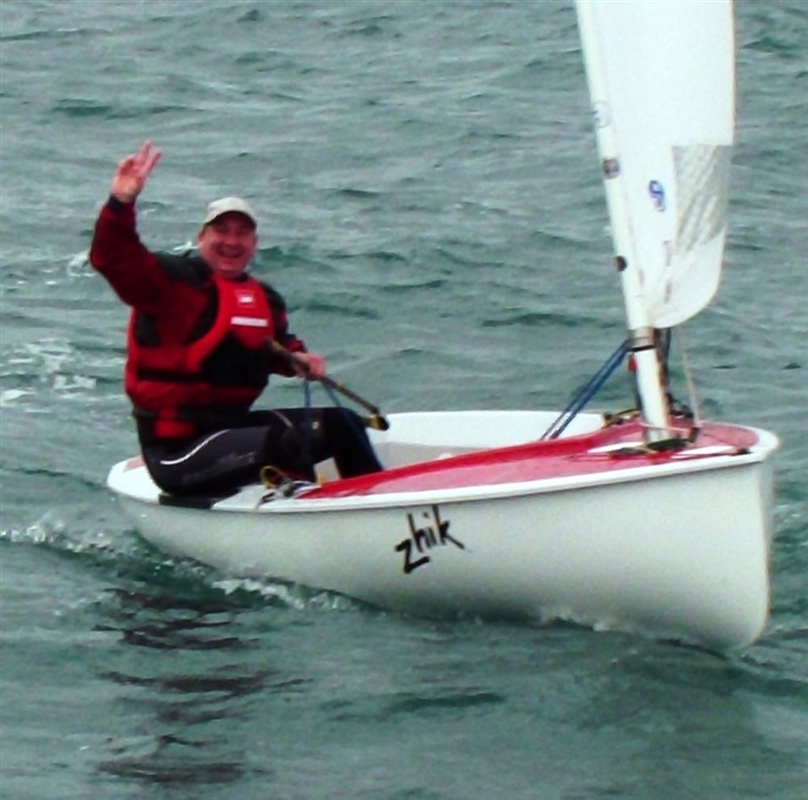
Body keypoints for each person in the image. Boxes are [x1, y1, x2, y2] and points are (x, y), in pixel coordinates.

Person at [90, 141, 383, 496]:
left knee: (343, 425)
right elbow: (113, 258)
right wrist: (121, 202)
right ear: (201, 237)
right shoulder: (170, 285)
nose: (231, 241)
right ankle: (311, 517)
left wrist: (299, 359)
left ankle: (379, 502)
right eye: (221, 231)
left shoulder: (265, 300)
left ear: (254, 243)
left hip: (233, 429)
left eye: (241, 233)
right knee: (281, 444)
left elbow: (275, 347)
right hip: (177, 452)